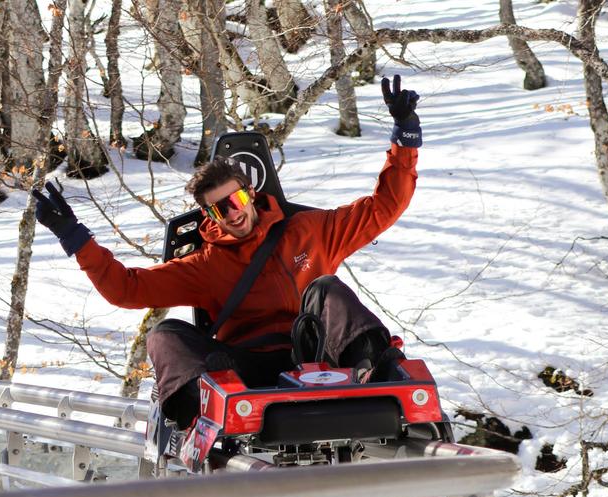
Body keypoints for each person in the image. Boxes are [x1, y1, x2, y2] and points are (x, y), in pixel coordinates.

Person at [34, 75, 423, 432]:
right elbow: (127, 289)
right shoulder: (206, 265)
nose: (234, 212)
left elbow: (384, 206)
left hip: (315, 355)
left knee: (327, 288)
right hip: (244, 368)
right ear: (210, 215)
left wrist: (404, 137)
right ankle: (200, 409)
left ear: (250, 192)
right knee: (164, 334)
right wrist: (74, 236)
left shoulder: (310, 230)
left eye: (236, 199)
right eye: (221, 208)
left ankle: (374, 372)